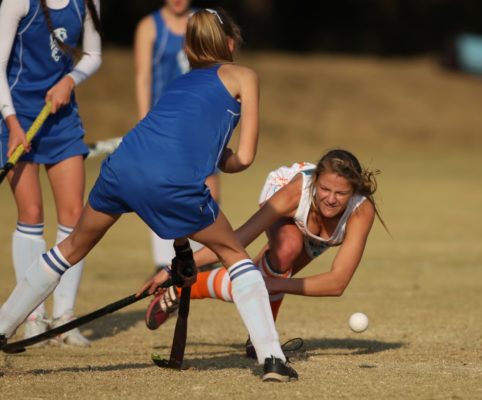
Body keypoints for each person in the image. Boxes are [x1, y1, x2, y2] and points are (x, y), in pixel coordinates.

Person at [0, 8, 297, 383]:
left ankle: (3, 327)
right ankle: (272, 359)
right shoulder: (244, 76)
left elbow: (166, 140)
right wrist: (222, 157)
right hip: (171, 182)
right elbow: (245, 158)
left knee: (70, 247)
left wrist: (203, 155)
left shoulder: (179, 84)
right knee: (235, 255)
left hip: (121, 168)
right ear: (229, 43)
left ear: (188, 48)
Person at [143, 149, 385, 358]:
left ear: (353, 191)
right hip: (282, 189)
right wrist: (175, 267)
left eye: (341, 193)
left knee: (266, 277)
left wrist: (267, 284)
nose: (330, 199)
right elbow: (238, 240)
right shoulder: (296, 192)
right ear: (315, 182)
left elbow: (337, 283)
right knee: (287, 249)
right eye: (324, 189)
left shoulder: (360, 210)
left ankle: (188, 293)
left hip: (314, 233)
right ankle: (260, 337)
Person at [0, 0, 102, 346]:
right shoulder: (17, 1)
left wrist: (70, 80)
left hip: (61, 118)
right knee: (31, 213)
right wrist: (11, 123)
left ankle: (64, 318)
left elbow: (94, 55)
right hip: (16, 117)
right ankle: (33, 316)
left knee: (74, 214)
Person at [134, 0, 221, 272]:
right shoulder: (150, 27)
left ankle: (205, 257)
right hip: (166, 123)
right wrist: (145, 121)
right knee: (164, 188)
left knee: (209, 186)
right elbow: (143, 77)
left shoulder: (204, 21)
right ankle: (165, 262)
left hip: (201, 120)